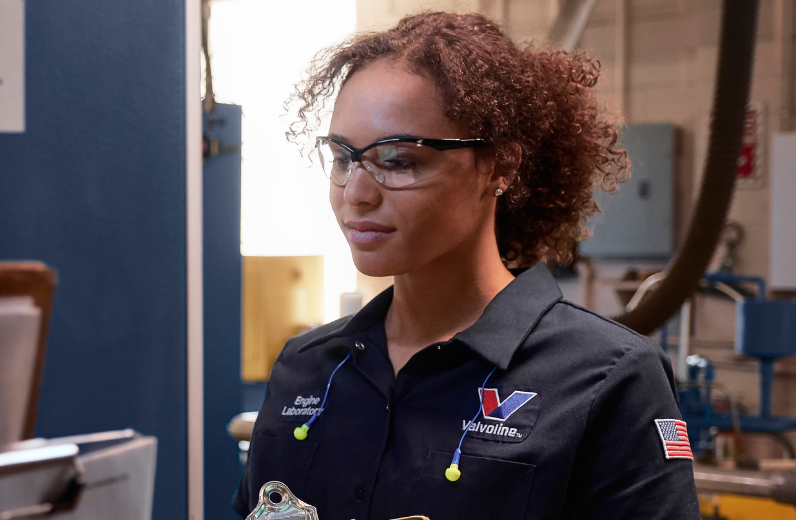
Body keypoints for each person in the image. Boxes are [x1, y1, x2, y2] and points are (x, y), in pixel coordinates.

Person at [231, 11, 699, 520]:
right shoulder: (306, 368)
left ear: (500, 166)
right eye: (343, 157)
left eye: (398, 160)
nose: (356, 193)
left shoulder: (606, 378)